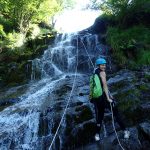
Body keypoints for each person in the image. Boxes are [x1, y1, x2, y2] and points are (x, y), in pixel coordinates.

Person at [91, 58, 130, 141]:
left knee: (100, 117)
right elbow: (104, 85)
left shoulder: (94, 72)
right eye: (102, 65)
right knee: (116, 114)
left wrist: (109, 94)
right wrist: (108, 98)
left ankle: (97, 135)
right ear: (99, 65)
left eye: (104, 65)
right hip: (104, 98)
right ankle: (125, 131)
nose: (104, 66)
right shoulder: (102, 73)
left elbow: (95, 86)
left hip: (97, 99)